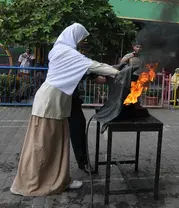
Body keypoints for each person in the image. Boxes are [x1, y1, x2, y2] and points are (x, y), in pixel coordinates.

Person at [10, 23, 121, 196]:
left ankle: (59, 179)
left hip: (59, 105)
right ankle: (32, 182)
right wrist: (117, 72)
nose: (82, 42)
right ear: (74, 36)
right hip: (50, 103)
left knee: (56, 145)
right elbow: (92, 65)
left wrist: (111, 73)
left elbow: (90, 72)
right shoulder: (66, 52)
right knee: (42, 145)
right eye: (81, 39)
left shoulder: (60, 50)